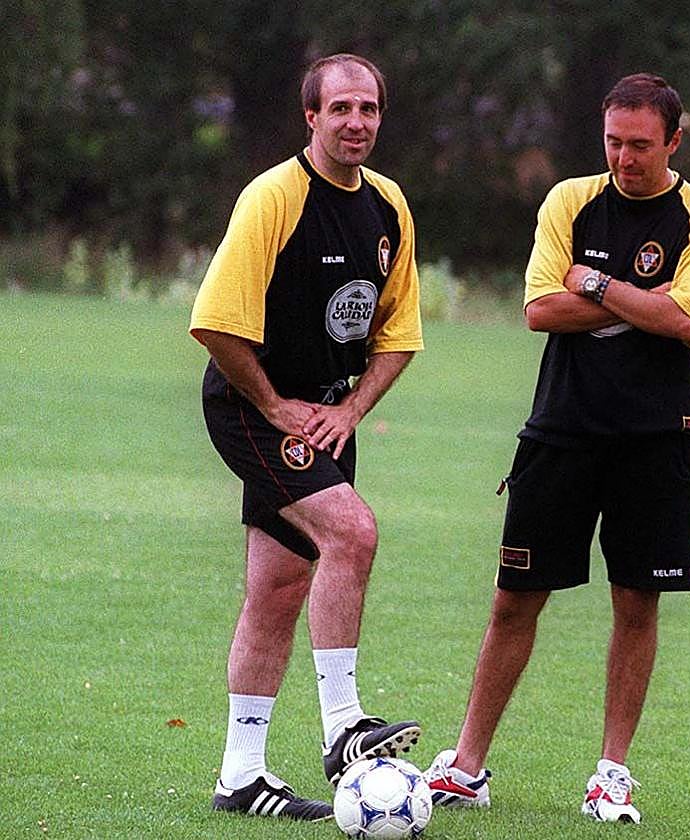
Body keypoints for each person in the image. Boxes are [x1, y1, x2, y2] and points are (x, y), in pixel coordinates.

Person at [422, 72, 690, 824]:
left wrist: (593, 281)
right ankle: (466, 766)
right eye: (614, 143)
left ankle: (611, 774)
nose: (626, 159)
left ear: (674, 141)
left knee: (636, 602)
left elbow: (689, 323)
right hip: (561, 428)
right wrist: (638, 303)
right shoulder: (569, 200)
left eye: (642, 146)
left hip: (658, 437)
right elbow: (538, 308)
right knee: (513, 600)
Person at [189, 53, 425, 822]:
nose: (357, 122)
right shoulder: (275, 197)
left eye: (370, 109)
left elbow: (398, 333)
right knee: (353, 532)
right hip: (253, 410)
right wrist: (276, 405)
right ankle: (343, 726)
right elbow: (216, 324)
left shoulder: (389, 207)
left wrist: (350, 410)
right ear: (312, 118)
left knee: (279, 589)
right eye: (342, 109)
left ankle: (241, 775)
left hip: (326, 417)